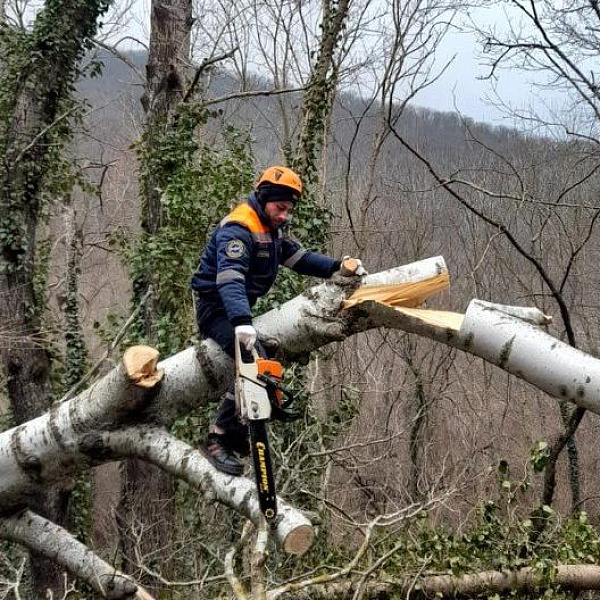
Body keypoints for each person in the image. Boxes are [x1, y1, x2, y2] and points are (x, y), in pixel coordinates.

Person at [191, 165, 365, 476]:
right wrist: (242, 324)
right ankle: (217, 437)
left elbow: (298, 258)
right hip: (216, 309)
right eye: (280, 207)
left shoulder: (271, 227)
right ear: (264, 198)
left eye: (289, 209)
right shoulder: (239, 228)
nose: (285, 214)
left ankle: (237, 431)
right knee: (252, 356)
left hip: (237, 309)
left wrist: (338, 267)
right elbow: (229, 279)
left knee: (267, 357)